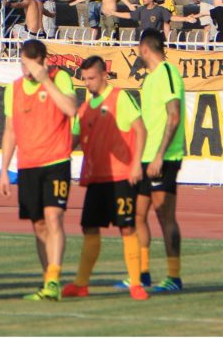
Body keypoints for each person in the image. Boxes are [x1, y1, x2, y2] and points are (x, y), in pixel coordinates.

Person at [61, 56, 149, 302]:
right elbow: (73, 139)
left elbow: (141, 129)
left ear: (103, 75)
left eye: (91, 78)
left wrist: (136, 164)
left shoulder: (120, 98)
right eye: (84, 79)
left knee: (127, 227)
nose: (87, 83)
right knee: (89, 227)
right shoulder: (85, 108)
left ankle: (136, 284)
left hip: (120, 176)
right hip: (96, 178)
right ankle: (81, 284)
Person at [0, 39, 78, 301]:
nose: (26, 70)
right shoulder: (14, 89)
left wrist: (46, 81)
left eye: (31, 65)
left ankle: (54, 278)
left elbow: (71, 109)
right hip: (28, 164)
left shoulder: (60, 78)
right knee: (39, 225)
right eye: (23, 64)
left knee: (54, 218)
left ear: (43, 62)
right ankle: (48, 281)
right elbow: (10, 131)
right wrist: (3, 169)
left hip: (56, 162)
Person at [125, 29, 187, 293]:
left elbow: (174, 116)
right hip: (146, 157)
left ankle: (174, 276)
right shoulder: (149, 79)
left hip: (165, 157)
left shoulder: (167, 72)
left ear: (144, 49)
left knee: (164, 216)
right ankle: (143, 273)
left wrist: (160, 156)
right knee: (137, 215)